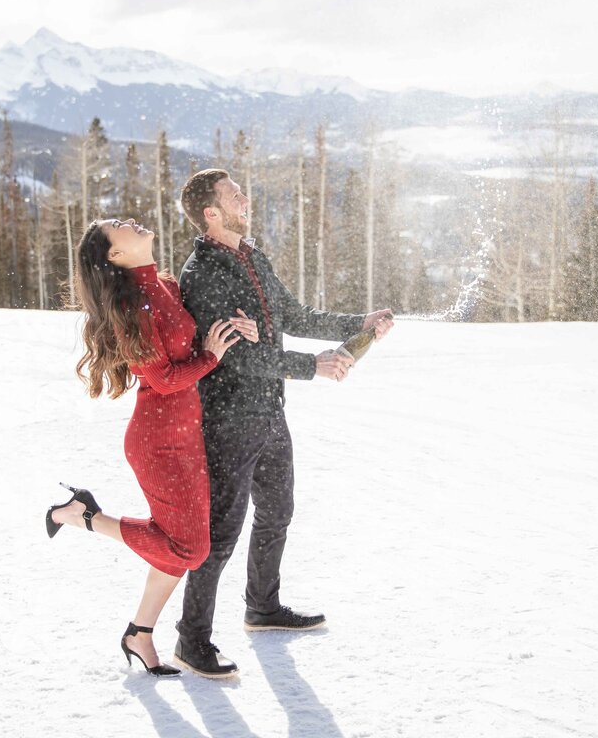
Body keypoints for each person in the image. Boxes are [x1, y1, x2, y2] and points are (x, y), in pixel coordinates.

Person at [172, 169, 395, 679]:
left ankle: (262, 607)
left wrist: (354, 325)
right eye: (233, 195)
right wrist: (309, 366)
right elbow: (237, 357)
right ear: (211, 213)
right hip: (228, 418)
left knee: (277, 511)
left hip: (269, 410)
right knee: (222, 532)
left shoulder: (250, 256)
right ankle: (191, 639)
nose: (243, 198)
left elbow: (289, 314)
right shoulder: (203, 273)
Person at [46, 217, 259, 676]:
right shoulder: (132, 306)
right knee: (190, 550)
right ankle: (81, 515)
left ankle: (139, 633)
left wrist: (235, 331)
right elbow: (163, 380)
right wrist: (211, 357)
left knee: (178, 546)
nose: (129, 221)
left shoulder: (162, 284)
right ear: (114, 256)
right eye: (116, 227)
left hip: (186, 436)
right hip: (159, 442)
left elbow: (189, 340)